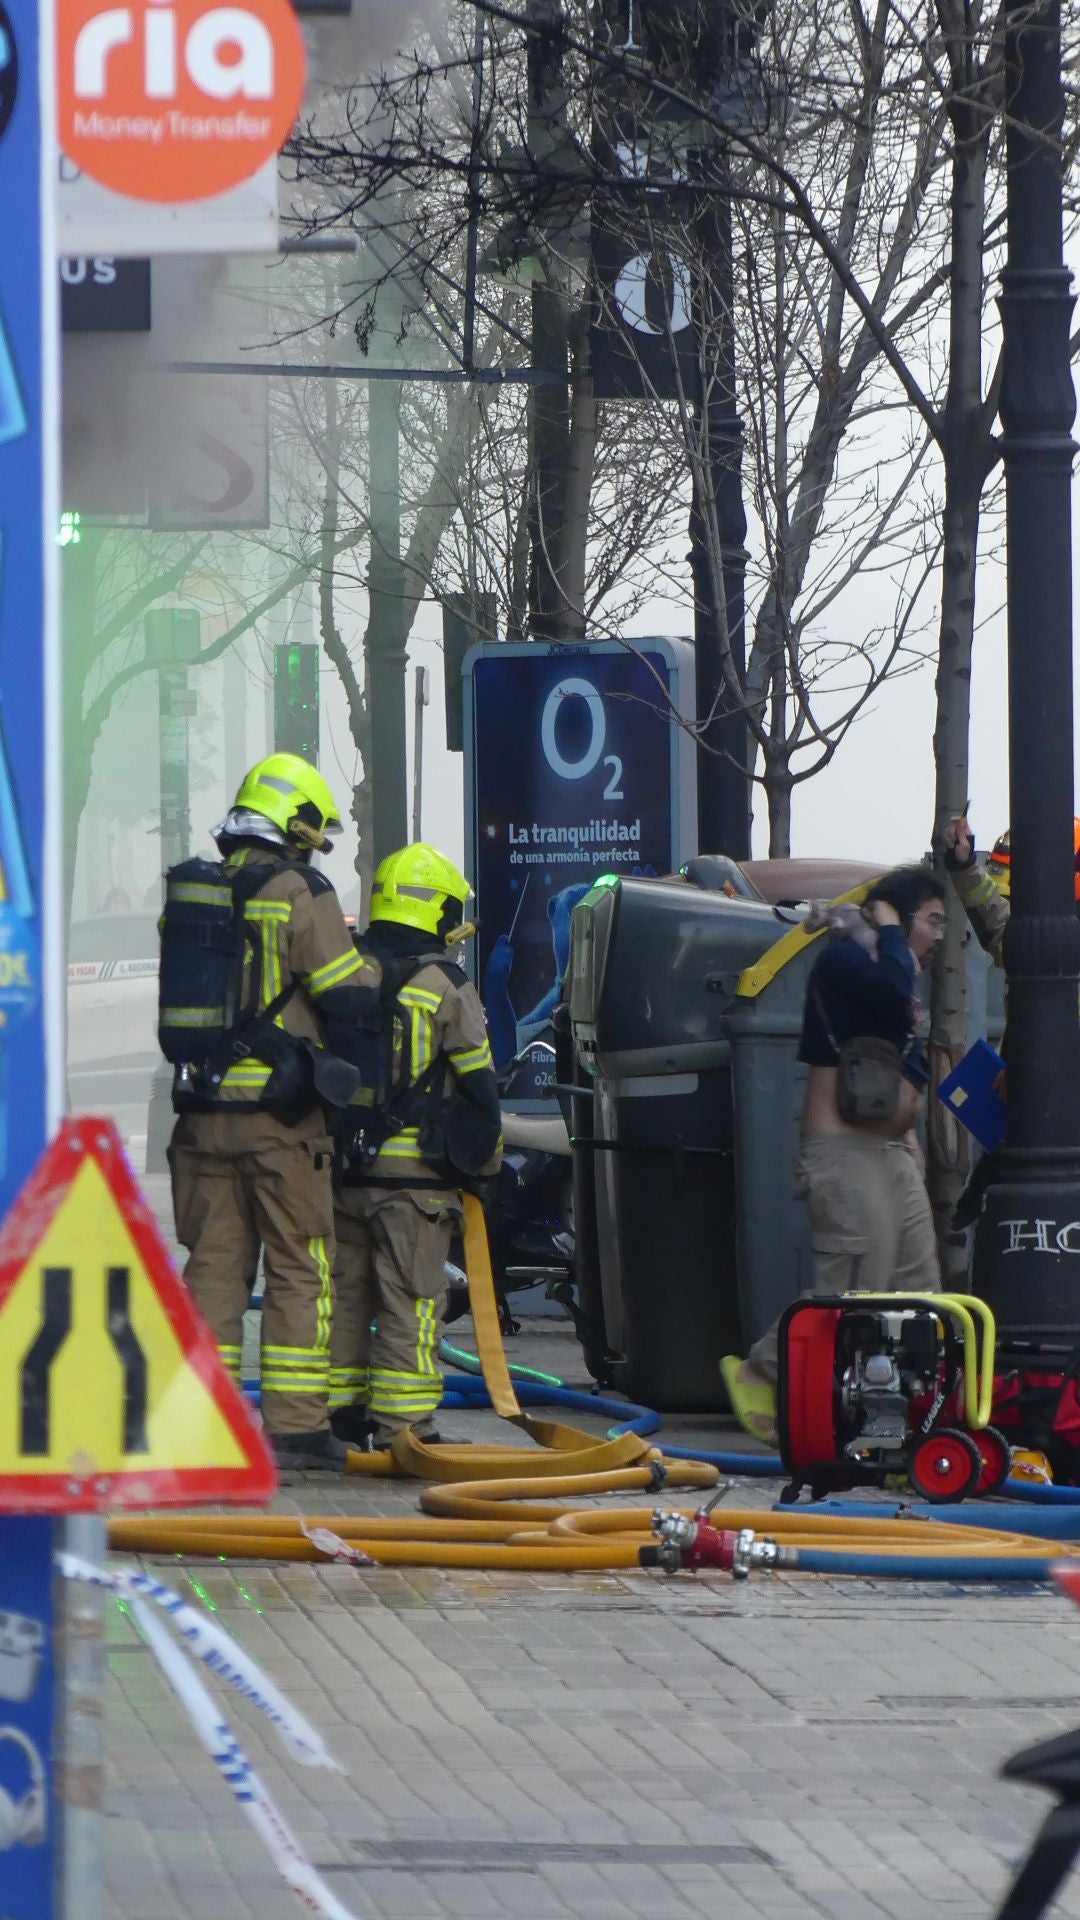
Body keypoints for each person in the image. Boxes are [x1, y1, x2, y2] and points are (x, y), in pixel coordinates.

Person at [163, 753, 380, 1471]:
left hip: (201, 1116)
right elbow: (346, 993)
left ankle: (203, 1426)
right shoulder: (296, 888)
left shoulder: (198, 890)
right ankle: (293, 1428)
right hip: (280, 1123)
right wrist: (371, 964)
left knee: (215, 1268)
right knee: (299, 1265)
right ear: (296, 824)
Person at [722, 865, 947, 1445]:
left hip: (889, 1149)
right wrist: (891, 929)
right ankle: (761, 1370)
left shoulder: (896, 966)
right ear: (895, 915)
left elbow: (902, 1055)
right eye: (932, 921)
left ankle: (894, 1408)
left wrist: (911, 1133)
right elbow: (893, 998)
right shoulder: (849, 958)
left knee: (915, 1280)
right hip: (843, 1152)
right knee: (856, 1283)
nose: (939, 936)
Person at [328, 843, 503, 1453]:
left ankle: (338, 1419)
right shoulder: (446, 987)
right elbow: (480, 1091)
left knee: (343, 1298)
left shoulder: (347, 972)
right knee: (412, 1302)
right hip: (416, 1185)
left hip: (344, 1174)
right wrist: (484, 1171)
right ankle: (406, 1429)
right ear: (434, 909)